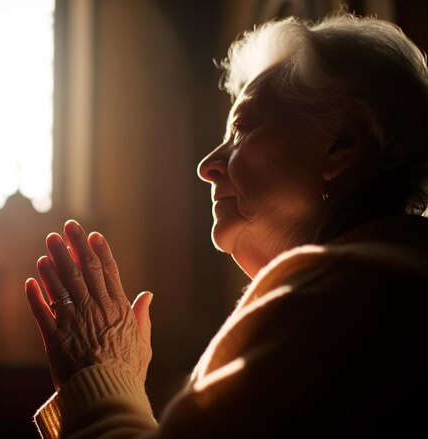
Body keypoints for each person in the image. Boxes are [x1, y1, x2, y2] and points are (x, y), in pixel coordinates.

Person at [25, 12, 428, 438]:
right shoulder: (388, 278)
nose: (207, 166)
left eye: (243, 128)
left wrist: (98, 374)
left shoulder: (349, 297)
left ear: (343, 143)